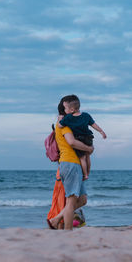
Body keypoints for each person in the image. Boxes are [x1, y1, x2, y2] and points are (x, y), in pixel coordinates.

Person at [47, 95, 93, 230]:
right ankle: (67, 232)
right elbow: (72, 142)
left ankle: (56, 220)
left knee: (82, 199)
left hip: (75, 164)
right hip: (70, 162)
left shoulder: (70, 124)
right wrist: (88, 148)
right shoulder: (64, 125)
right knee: (71, 201)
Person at [58, 95, 106, 180]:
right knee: (87, 156)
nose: (65, 110)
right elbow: (93, 124)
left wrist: (59, 119)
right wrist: (101, 131)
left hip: (79, 139)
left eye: (65, 108)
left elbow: (60, 126)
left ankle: (85, 174)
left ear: (72, 110)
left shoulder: (69, 117)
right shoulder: (86, 115)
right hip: (88, 138)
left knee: (82, 158)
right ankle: (88, 172)